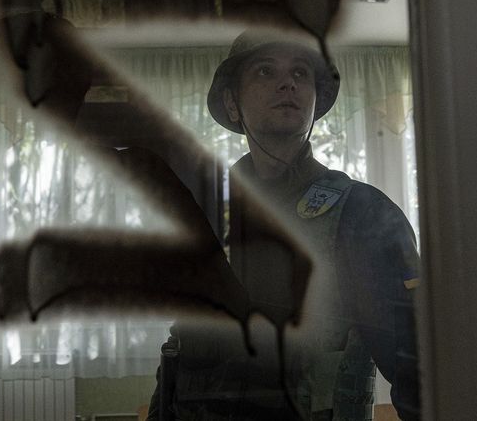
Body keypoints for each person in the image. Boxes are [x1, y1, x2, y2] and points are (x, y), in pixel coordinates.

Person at [147, 27, 421, 421]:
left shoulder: (363, 214)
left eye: (300, 73)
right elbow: (180, 351)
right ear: (232, 103)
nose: (286, 84)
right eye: (264, 72)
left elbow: (416, 368)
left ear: (315, 100)